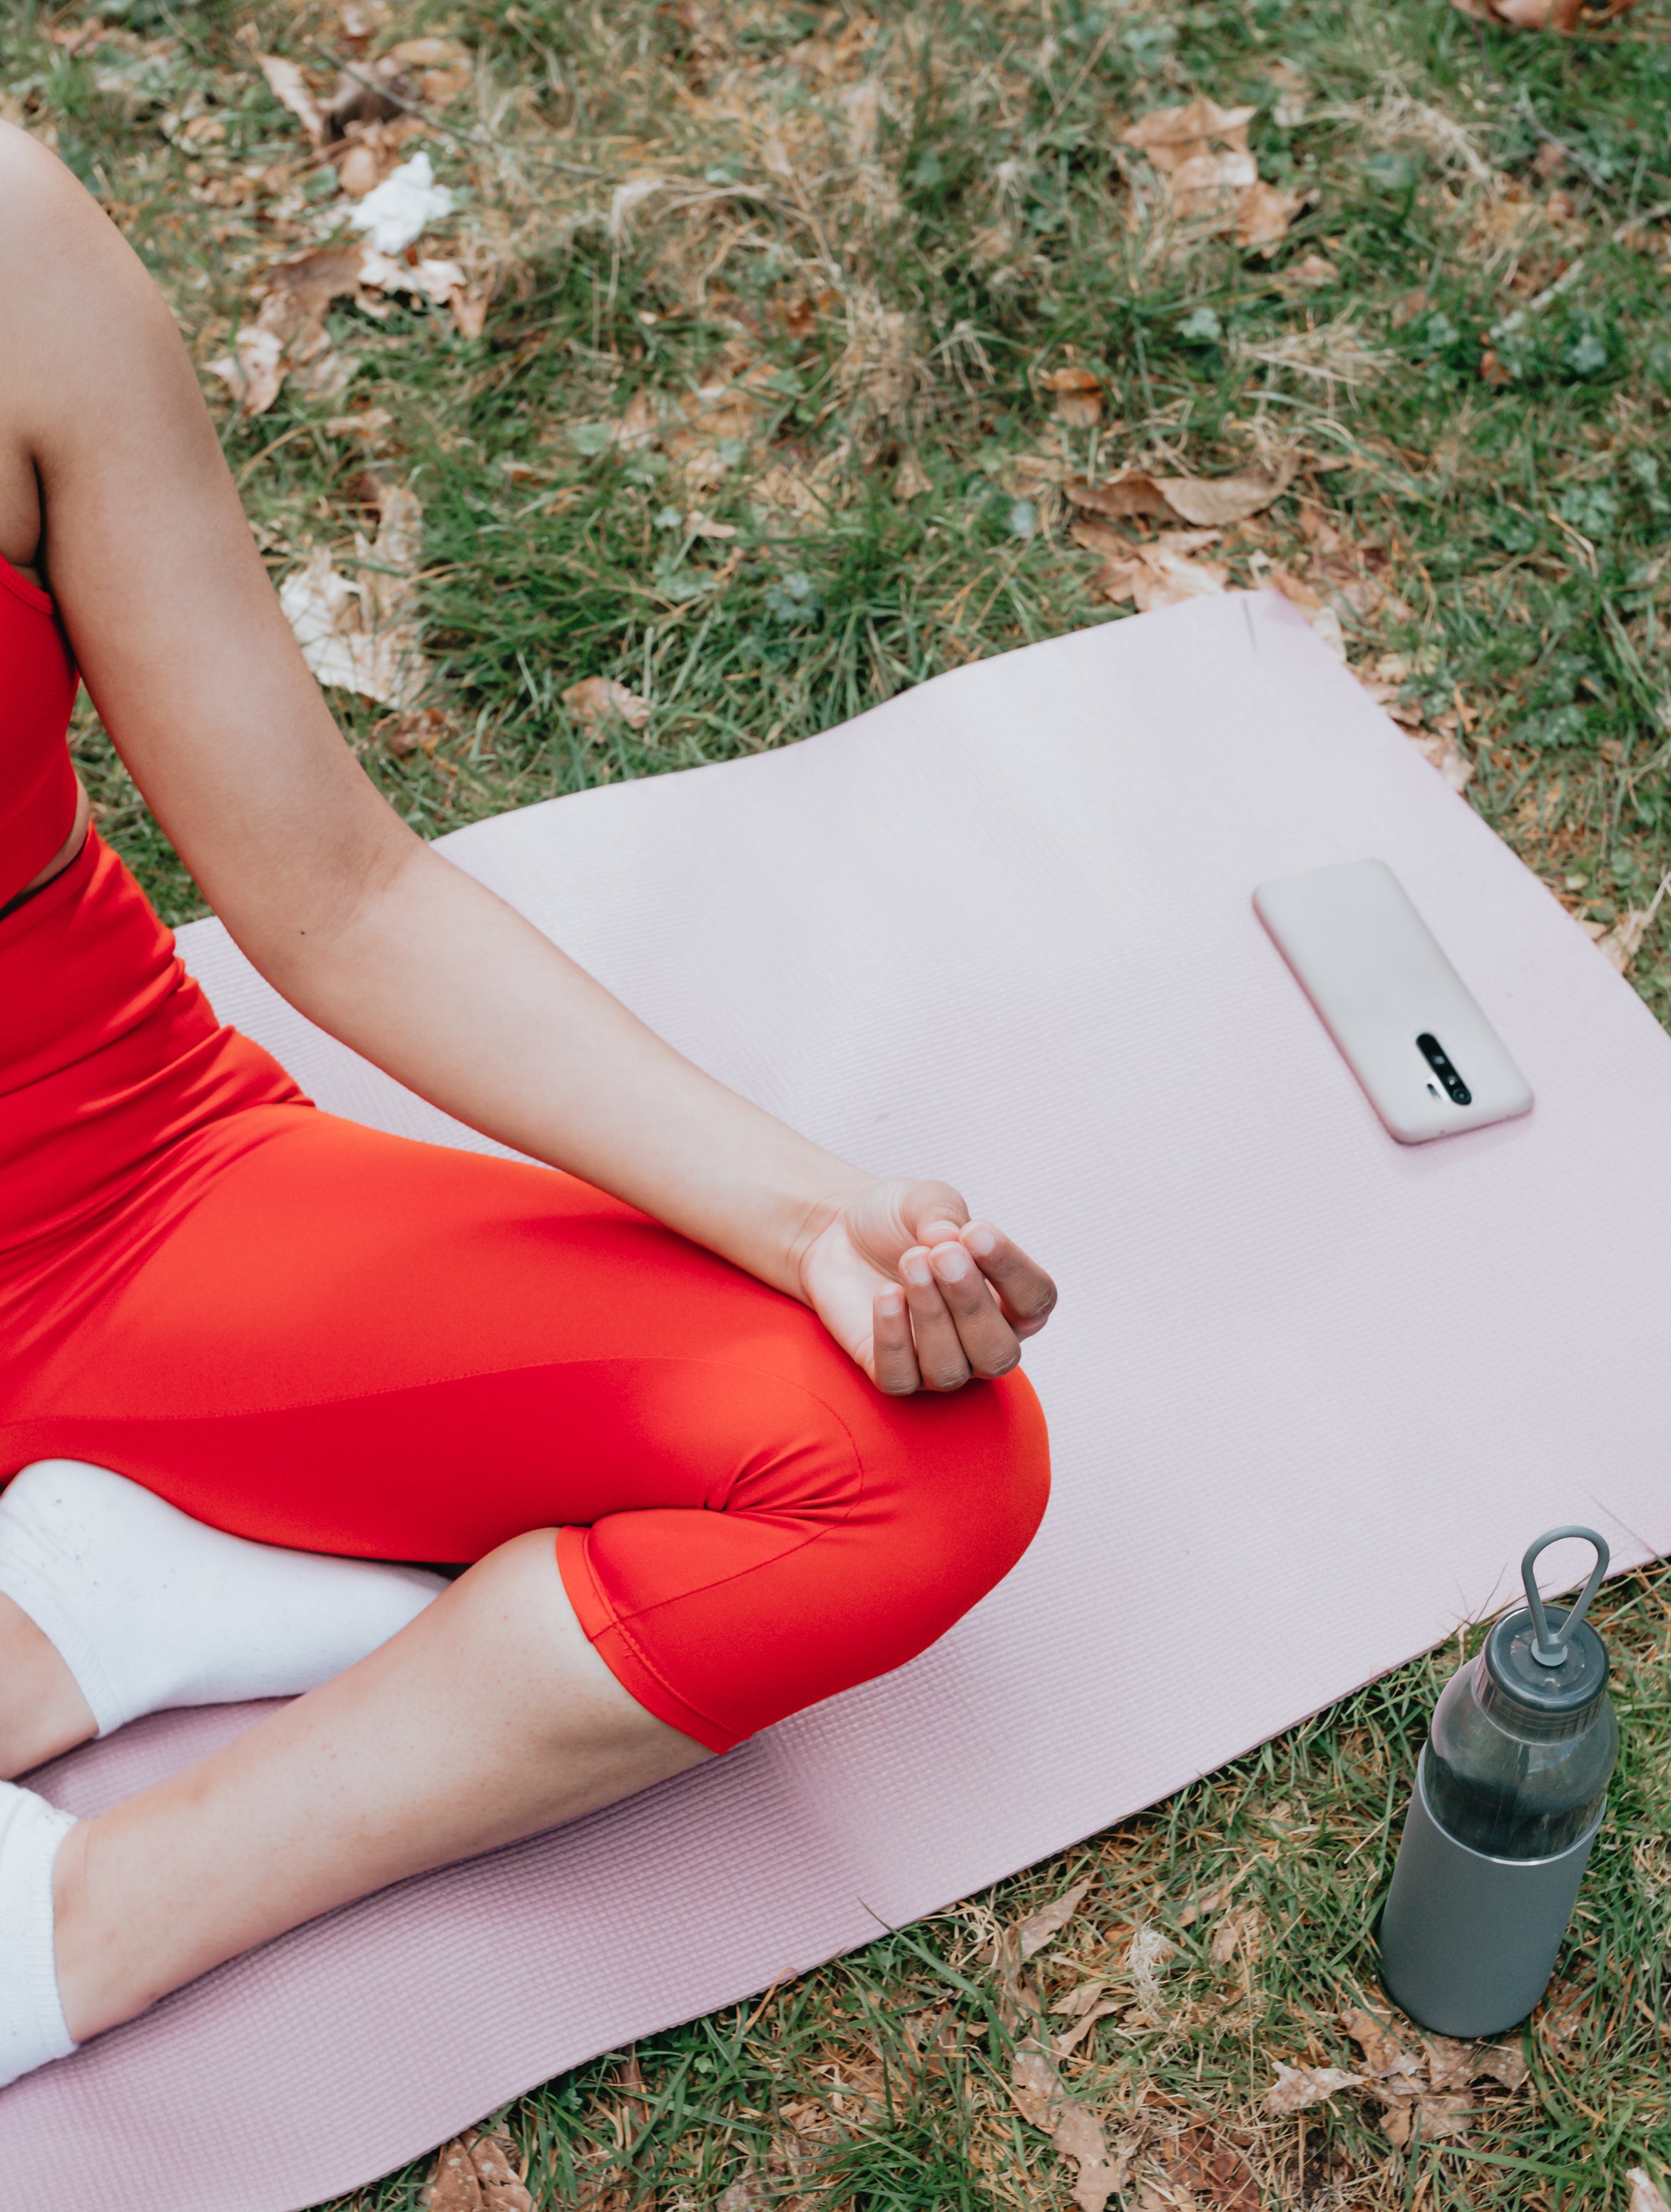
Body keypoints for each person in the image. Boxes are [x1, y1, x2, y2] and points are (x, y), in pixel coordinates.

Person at [0, 122, 1055, 2091]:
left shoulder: (7, 254)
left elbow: (336, 889)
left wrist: (805, 1215)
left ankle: (101, 1911)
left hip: (96, 1202)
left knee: (906, 1463)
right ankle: (94, 1613)